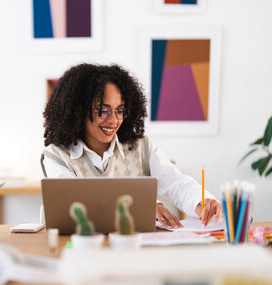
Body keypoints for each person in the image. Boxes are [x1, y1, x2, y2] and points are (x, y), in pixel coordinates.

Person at [41, 63, 222, 229]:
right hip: (83, 249)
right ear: (78, 110)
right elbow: (74, 203)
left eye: (120, 110)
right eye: (103, 110)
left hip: (132, 250)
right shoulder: (57, 155)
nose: (113, 120)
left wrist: (202, 201)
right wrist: (145, 206)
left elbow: (175, 182)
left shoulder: (141, 147)